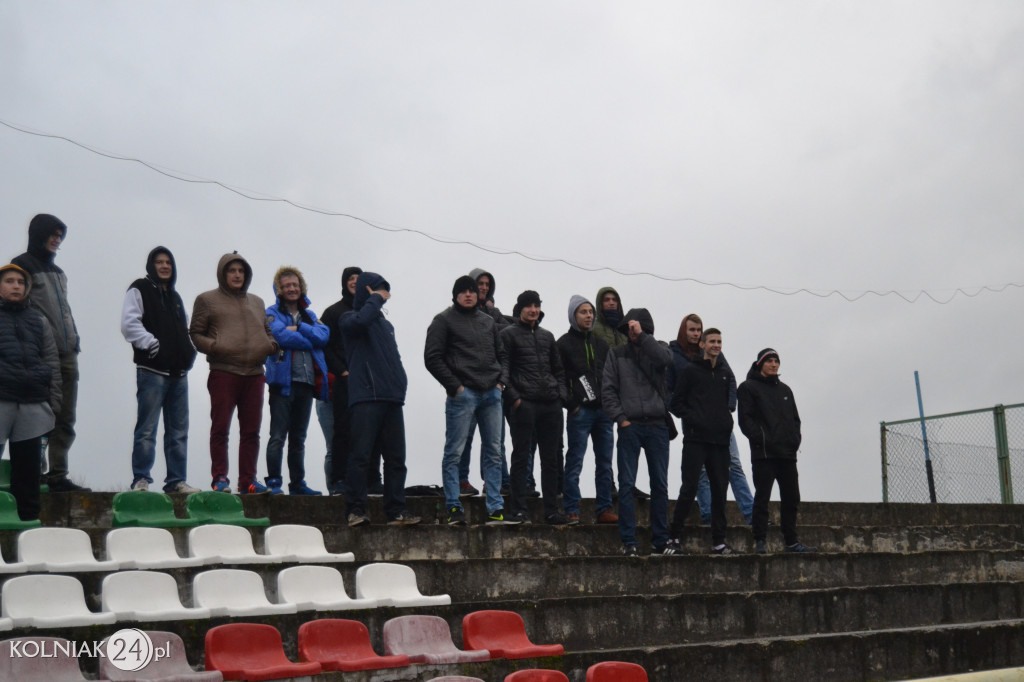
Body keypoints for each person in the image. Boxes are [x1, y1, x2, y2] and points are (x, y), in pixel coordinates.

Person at [424, 275, 514, 526]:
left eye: (472, 291)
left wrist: (501, 383)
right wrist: (456, 387)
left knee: (494, 452)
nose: (468, 294)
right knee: (454, 451)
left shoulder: (488, 321)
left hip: (491, 394)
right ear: (455, 295)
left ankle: (495, 508)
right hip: (463, 395)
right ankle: (453, 506)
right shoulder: (443, 320)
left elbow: (503, 355)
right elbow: (432, 357)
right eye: (463, 291)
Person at [11, 214, 89, 492]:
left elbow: (63, 310)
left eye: (60, 236)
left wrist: (74, 338)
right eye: (53, 234)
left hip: (68, 353)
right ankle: (33, 473)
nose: (57, 240)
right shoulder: (22, 266)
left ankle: (58, 474)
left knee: (65, 416)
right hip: (40, 353)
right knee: (39, 415)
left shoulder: (58, 272)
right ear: (40, 234)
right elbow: (19, 308)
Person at [189, 252, 278, 494]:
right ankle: (220, 478)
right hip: (224, 372)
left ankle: (248, 481)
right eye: (232, 270)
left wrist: (271, 345)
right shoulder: (206, 300)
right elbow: (195, 333)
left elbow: (267, 331)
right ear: (223, 273)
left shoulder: (257, 302)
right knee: (220, 428)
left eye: (241, 271)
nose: (237, 275)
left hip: (255, 374)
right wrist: (215, 347)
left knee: (252, 431)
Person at [339, 272, 420, 527]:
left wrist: (401, 383)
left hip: (392, 398)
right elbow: (362, 320)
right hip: (366, 396)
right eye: (379, 289)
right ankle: (355, 510)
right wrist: (374, 299)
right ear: (367, 290)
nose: (385, 294)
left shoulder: (386, 326)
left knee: (396, 460)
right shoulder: (349, 318)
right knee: (360, 457)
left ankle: (396, 511)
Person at [120, 246, 200, 494]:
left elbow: (185, 328)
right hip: (152, 371)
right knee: (147, 429)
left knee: (178, 432)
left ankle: (176, 481)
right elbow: (129, 324)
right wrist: (151, 344)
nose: (165, 266)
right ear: (151, 265)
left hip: (179, 374)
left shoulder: (175, 297)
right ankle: (141, 479)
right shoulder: (139, 288)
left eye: (168, 262)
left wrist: (189, 351)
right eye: (159, 262)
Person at [668, 313, 753, 525]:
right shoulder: (674, 355)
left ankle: (752, 515)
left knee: (734, 465)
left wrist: (728, 408)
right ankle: (708, 517)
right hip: (694, 424)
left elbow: (730, 379)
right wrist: (687, 414)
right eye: (691, 330)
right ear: (683, 331)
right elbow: (670, 390)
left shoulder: (714, 352)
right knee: (701, 473)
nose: (695, 334)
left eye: (698, 330)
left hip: (719, 422)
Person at [601, 309, 673, 556]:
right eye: (629, 328)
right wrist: (621, 419)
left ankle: (660, 541)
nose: (632, 331)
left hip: (657, 425)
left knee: (660, 484)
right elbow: (608, 389)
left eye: (637, 327)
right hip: (630, 426)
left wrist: (643, 337)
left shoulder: (659, 348)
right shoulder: (616, 353)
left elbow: (666, 361)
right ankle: (629, 541)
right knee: (627, 484)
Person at [499, 290, 569, 525]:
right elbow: (503, 369)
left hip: (550, 404)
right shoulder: (508, 334)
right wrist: (515, 398)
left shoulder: (547, 336)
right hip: (524, 404)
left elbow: (558, 370)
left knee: (551, 459)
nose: (533, 310)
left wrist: (560, 397)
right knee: (521, 457)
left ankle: (551, 511)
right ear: (520, 309)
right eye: (528, 306)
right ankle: (519, 510)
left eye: (536, 305)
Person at [0, 264, 61, 519]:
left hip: (32, 403)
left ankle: (27, 526)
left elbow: (51, 361)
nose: (16, 286)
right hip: (2, 399)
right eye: (9, 281)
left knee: (28, 475)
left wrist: (54, 401)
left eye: (20, 282)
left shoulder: (38, 320)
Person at [738, 348, 813, 554]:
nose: (773, 364)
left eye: (776, 361)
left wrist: (794, 441)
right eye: (769, 361)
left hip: (787, 454)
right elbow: (745, 420)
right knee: (762, 498)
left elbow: (795, 420)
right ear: (760, 364)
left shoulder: (786, 390)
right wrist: (762, 440)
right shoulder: (748, 387)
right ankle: (760, 540)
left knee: (792, 498)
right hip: (764, 454)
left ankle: (791, 541)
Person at [263, 266, 329, 496]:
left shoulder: (309, 316)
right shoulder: (271, 312)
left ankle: (298, 484)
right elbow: (279, 335)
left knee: (299, 438)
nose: (291, 289)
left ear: (301, 287)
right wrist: (309, 339)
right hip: (282, 383)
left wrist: (299, 327)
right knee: (278, 436)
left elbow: (324, 336)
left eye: (295, 284)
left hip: (307, 384)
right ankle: (274, 482)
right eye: (287, 285)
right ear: (279, 289)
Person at [668, 328, 734, 555]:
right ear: (703, 345)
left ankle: (719, 542)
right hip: (696, 440)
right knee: (689, 488)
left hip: (720, 442)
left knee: (720, 491)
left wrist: (725, 420)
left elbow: (728, 401)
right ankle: (674, 538)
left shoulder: (725, 373)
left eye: (719, 341)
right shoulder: (690, 371)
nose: (716, 345)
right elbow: (676, 403)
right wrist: (695, 418)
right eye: (712, 341)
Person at [320, 266, 384, 496]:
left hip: (371, 383)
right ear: (344, 282)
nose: (355, 282)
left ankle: (373, 480)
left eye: (359, 278)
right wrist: (342, 371)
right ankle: (339, 480)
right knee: (343, 432)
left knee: (374, 433)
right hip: (345, 381)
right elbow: (325, 347)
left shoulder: (373, 312)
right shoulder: (333, 312)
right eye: (350, 278)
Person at [557, 295, 617, 525]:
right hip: (579, 412)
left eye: (591, 312)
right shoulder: (563, 344)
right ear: (573, 315)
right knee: (575, 460)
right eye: (583, 312)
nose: (588, 316)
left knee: (605, 463)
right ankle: (571, 508)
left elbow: (610, 376)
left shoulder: (601, 344)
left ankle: (604, 509)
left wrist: (610, 403)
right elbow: (559, 377)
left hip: (603, 413)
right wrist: (571, 404)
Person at [457, 267, 512, 497]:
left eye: (487, 285)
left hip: (492, 386)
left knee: (495, 441)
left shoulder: (493, 312)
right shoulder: (457, 314)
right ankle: (461, 481)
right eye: (480, 283)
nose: (484, 288)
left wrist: (501, 382)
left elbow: (509, 331)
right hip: (465, 386)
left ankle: (497, 483)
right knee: (463, 438)